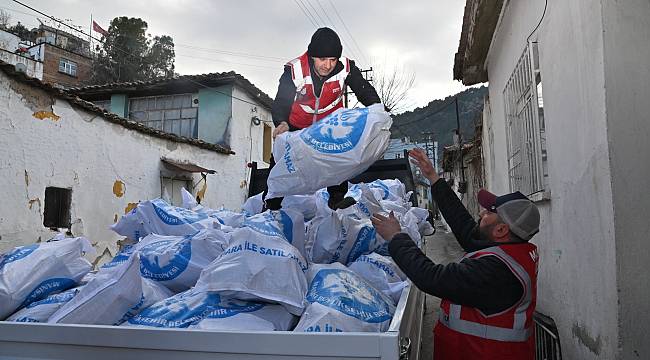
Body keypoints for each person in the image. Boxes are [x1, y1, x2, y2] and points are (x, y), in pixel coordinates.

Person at [371, 148, 540, 360]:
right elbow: (466, 229)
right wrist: (434, 178)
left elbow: (431, 277)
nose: (481, 212)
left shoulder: (496, 271)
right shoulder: (512, 251)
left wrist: (396, 237)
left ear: (500, 230)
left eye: (489, 212)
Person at [264, 27, 382, 211]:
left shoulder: (346, 67)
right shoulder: (294, 70)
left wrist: (377, 109)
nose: (328, 65)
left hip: (329, 125)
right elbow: (281, 101)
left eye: (332, 59)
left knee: (339, 157)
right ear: (312, 56)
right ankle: (270, 204)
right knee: (281, 162)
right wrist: (282, 122)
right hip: (297, 125)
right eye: (322, 59)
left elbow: (364, 90)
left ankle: (336, 199)